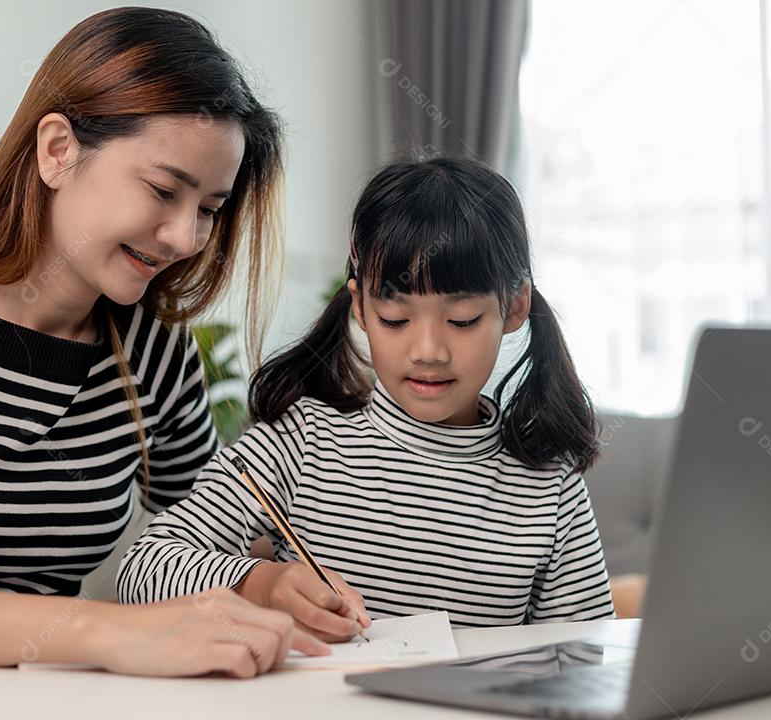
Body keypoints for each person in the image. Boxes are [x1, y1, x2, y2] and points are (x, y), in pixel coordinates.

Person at [0, 7, 330, 677]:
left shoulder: (155, 356)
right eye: (163, 189)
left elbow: (202, 540)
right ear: (58, 151)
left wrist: (262, 582)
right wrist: (113, 632)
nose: (186, 239)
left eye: (209, 210)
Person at [117, 156, 616, 642]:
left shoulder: (550, 486)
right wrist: (262, 585)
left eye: (462, 320)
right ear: (359, 307)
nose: (428, 352)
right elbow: (143, 569)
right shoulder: (301, 441)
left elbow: (585, 659)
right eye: (395, 320)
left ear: (515, 308)